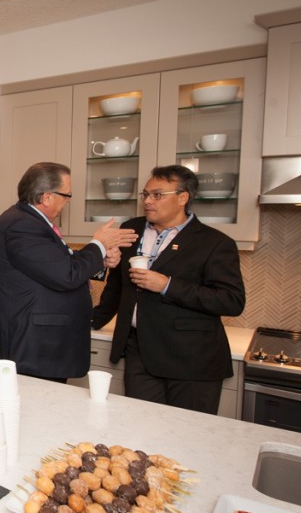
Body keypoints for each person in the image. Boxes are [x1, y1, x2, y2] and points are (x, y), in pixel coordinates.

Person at [92, 165, 245, 414]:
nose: (147, 201)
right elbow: (117, 285)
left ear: (183, 197)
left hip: (192, 359)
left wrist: (167, 286)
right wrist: (92, 321)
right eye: (145, 194)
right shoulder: (131, 229)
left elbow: (231, 300)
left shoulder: (214, 242)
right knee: (141, 429)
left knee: (188, 432)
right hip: (140, 353)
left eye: (157, 195)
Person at [0, 163, 137, 382]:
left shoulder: (30, 221)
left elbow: (56, 264)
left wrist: (101, 259)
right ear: (47, 197)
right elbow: (66, 274)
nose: (68, 201)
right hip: (35, 347)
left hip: (40, 345)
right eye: (67, 195)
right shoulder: (23, 225)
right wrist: (99, 244)